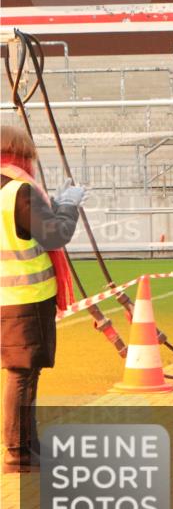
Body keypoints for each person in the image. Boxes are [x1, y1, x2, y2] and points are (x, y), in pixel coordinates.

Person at [1, 125, 85, 473]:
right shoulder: (19, 191)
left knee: (24, 373)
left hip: (8, 295)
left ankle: (28, 446)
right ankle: (19, 453)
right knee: (23, 374)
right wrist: (67, 206)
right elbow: (54, 235)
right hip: (27, 297)